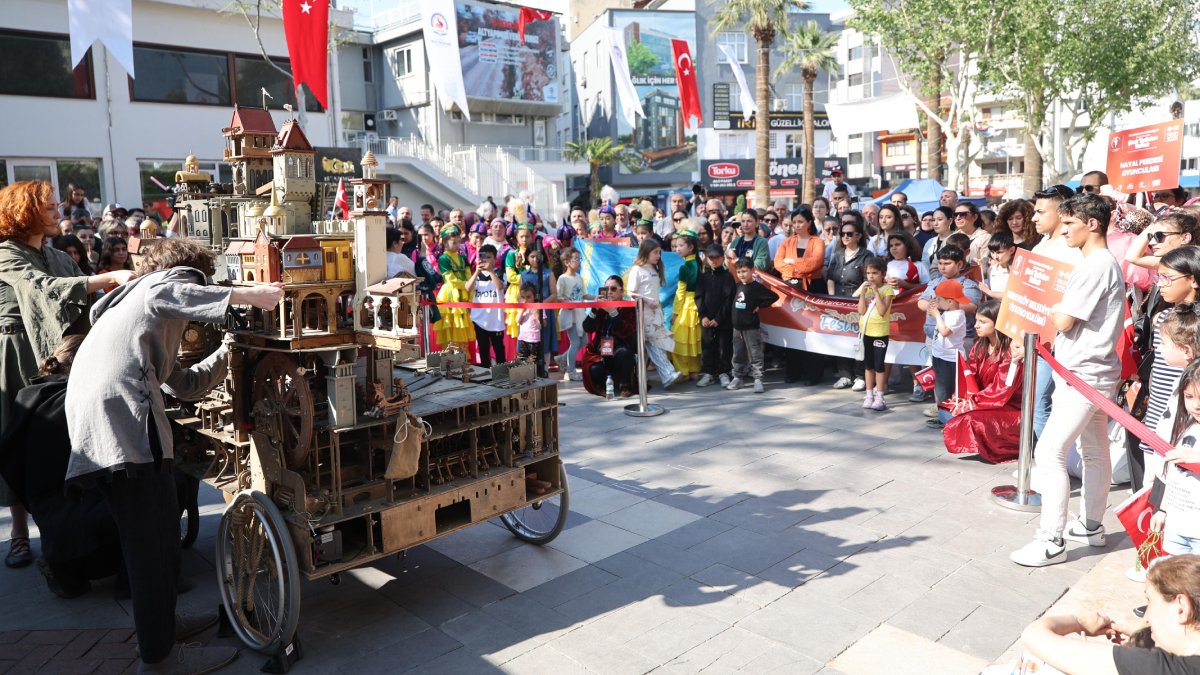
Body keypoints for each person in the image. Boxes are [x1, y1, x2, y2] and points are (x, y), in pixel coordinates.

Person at [67, 239, 282, 672]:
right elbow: (174, 292)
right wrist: (248, 295)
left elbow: (183, 384)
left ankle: (162, 628)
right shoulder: (156, 289)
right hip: (123, 426)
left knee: (160, 537)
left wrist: (230, 348)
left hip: (105, 424)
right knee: (151, 548)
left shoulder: (131, 311)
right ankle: (160, 658)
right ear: (186, 274)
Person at [0, 181, 135, 570]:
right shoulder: (7, 254)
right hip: (17, 355)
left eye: (58, 205)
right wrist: (107, 278)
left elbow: (85, 300)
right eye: (49, 207)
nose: (58, 212)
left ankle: (66, 531)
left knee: (57, 444)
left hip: (58, 357)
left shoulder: (58, 255)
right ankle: (19, 534)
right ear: (25, 211)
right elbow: (41, 288)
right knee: (17, 439)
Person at [1011, 193, 1125, 568]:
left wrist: (1054, 304)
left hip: (1083, 374)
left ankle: (1051, 539)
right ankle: (1091, 524)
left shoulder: (1095, 265)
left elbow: (1062, 320)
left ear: (1092, 224)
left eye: (1070, 224)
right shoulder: (1099, 263)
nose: (1064, 232)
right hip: (1090, 371)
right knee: (1094, 452)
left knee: (1050, 452)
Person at [1019, 555, 1200, 675]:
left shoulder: (1157, 668)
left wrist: (1077, 621)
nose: (1146, 617)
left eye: (1150, 601)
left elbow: (1033, 635)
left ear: (1181, 608)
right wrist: (1144, 632)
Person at [942, 300, 1023, 463]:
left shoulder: (1011, 351)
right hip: (986, 401)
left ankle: (1005, 447)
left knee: (970, 419)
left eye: (983, 322)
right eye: (977, 320)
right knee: (945, 412)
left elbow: (1002, 389)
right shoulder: (979, 345)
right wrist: (960, 398)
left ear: (999, 323)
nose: (976, 326)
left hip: (1010, 406)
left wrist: (971, 404)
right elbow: (970, 377)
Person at [627, 239, 682, 389]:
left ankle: (641, 377)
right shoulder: (637, 270)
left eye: (659, 252)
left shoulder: (654, 268)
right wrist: (646, 300)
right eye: (655, 252)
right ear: (646, 252)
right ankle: (667, 373)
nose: (658, 255)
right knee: (653, 342)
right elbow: (631, 292)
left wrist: (658, 307)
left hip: (655, 312)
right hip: (643, 313)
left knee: (652, 343)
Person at [827, 216, 870, 390]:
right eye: (842, 234)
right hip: (838, 301)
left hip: (858, 301)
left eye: (849, 234)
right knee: (841, 338)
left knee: (858, 339)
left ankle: (860, 375)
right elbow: (830, 277)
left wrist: (854, 296)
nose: (845, 237)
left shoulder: (866, 255)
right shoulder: (837, 255)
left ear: (858, 236)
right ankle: (844, 374)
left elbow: (868, 281)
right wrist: (832, 298)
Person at [581, 276, 638, 397]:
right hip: (601, 351)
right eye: (606, 289)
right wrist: (594, 309)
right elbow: (587, 328)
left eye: (613, 288)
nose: (609, 292)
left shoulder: (629, 307)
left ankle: (625, 385)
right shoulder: (601, 307)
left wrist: (613, 312)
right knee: (593, 368)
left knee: (624, 353)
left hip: (619, 349)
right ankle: (603, 387)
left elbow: (628, 331)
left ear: (621, 291)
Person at [726, 259, 778, 394]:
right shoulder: (737, 286)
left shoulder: (757, 287)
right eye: (738, 272)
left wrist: (759, 305)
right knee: (737, 353)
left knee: (755, 353)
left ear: (752, 271)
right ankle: (737, 377)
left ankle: (758, 379)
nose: (741, 274)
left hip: (751, 327)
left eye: (744, 271)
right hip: (737, 327)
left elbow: (773, 296)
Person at [925, 279, 970, 430]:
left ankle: (948, 420)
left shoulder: (957, 315)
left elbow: (945, 332)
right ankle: (942, 417)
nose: (938, 301)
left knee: (946, 390)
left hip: (950, 359)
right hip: (940, 355)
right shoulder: (948, 312)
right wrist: (934, 312)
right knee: (939, 388)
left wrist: (937, 315)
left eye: (940, 299)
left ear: (950, 301)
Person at [857, 257, 895, 411]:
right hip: (866, 331)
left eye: (875, 273)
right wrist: (862, 294)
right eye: (868, 273)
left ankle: (880, 396)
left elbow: (881, 311)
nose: (871, 276)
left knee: (879, 365)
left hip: (880, 333)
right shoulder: (865, 289)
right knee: (868, 365)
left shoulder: (887, 290)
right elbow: (861, 311)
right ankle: (869, 394)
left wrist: (876, 293)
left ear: (882, 274)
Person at [696, 244, 735, 388]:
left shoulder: (727, 276)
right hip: (707, 318)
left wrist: (719, 318)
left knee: (724, 345)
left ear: (722, 258)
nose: (714, 260)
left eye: (717, 258)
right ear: (706, 258)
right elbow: (699, 297)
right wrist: (703, 316)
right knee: (707, 345)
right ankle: (708, 373)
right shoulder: (703, 277)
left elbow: (728, 299)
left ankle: (724, 372)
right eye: (711, 257)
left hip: (723, 319)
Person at [432, 225, 475, 348]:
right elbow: (450, 279)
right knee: (450, 325)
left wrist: (469, 288)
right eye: (454, 242)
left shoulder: (463, 257)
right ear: (445, 243)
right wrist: (466, 285)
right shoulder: (443, 258)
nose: (457, 245)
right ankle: (449, 357)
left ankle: (462, 358)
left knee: (461, 326)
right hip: (450, 294)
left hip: (463, 293)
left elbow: (468, 275)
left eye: (459, 242)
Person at [519, 247, 557, 377]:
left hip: (544, 311)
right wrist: (526, 306)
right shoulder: (523, 275)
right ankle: (528, 370)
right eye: (532, 256)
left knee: (545, 339)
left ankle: (544, 369)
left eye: (538, 256)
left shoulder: (548, 273)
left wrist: (540, 306)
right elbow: (520, 295)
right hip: (527, 314)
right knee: (528, 340)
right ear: (527, 258)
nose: (535, 259)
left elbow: (554, 294)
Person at [466, 245, 506, 368]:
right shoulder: (477, 275)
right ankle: (485, 373)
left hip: (496, 319)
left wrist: (490, 272)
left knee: (499, 348)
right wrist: (477, 271)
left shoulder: (499, 272)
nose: (486, 260)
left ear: (495, 259)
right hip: (479, 319)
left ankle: (502, 373)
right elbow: (468, 288)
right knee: (483, 349)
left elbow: (500, 287)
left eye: (489, 257)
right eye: (483, 257)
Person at [670, 231, 701, 378]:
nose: (677, 248)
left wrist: (675, 313)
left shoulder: (685, 267)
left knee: (679, 340)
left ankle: (683, 371)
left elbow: (680, 292)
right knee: (693, 339)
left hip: (687, 306)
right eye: (676, 246)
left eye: (681, 245)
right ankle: (695, 370)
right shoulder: (699, 264)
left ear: (691, 247)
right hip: (698, 305)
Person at [555, 247, 587, 381]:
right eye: (576, 259)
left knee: (584, 340)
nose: (579, 262)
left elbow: (583, 295)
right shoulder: (562, 278)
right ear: (567, 262)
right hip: (570, 315)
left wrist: (597, 297)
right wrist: (567, 302)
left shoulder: (579, 277)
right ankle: (571, 370)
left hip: (580, 314)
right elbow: (559, 296)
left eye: (580, 259)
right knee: (574, 342)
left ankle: (562, 358)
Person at [775, 207, 825, 291]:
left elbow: (815, 262)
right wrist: (798, 270)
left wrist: (793, 262)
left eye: (800, 222)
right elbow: (778, 263)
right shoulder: (786, 242)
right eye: (794, 222)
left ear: (809, 223)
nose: (796, 225)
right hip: (790, 286)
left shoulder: (818, 242)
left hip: (813, 286)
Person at [516, 283, 544, 375]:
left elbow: (544, 324)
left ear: (534, 296)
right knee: (523, 360)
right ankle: (525, 377)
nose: (525, 300)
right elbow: (517, 321)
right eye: (523, 297)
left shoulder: (538, 308)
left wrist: (537, 315)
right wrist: (522, 311)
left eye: (528, 297)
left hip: (534, 340)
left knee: (534, 361)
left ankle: (536, 377)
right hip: (523, 339)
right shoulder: (521, 308)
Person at [980, 230, 1017, 300]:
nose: (995, 256)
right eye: (992, 252)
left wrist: (989, 292)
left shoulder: (1016, 272)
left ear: (1011, 250)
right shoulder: (991, 269)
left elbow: (1013, 295)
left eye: (999, 252)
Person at [953, 202, 991, 269]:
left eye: (962, 214)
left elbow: (985, 267)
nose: (958, 218)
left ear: (975, 217)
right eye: (955, 215)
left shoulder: (985, 237)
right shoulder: (951, 238)